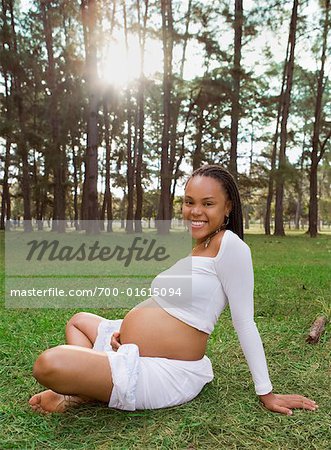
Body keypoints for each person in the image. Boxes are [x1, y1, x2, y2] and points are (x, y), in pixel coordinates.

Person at [29, 164, 318, 415]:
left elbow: (244, 322)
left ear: (228, 206)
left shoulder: (231, 247)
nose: (195, 211)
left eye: (207, 203)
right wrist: (129, 338)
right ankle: (89, 383)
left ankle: (79, 388)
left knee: (48, 363)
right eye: (189, 201)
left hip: (167, 371)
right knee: (79, 320)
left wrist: (266, 392)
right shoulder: (199, 248)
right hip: (136, 351)